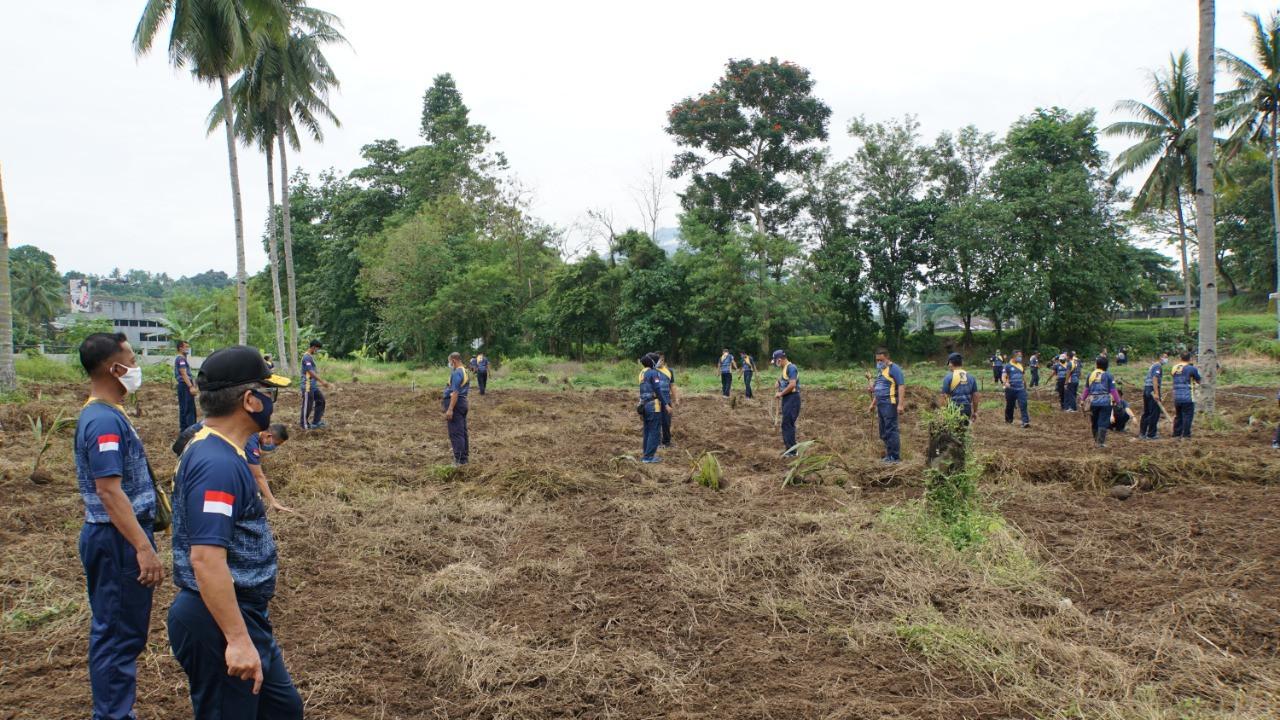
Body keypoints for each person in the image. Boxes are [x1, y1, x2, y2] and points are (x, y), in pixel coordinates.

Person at [167, 346, 301, 719]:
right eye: (267, 391)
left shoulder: (218, 445)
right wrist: (237, 639)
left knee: (283, 710)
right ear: (249, 400)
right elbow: (207, 558)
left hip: (243, 614)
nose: (271, 401)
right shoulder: (217, 465)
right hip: (218, 620)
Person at [74, 332, 163, 720]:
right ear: (115, 368)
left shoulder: (107, 414)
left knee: (120, 631)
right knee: (117, 635)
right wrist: (143, 547)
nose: (136, 366)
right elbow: (109, 491)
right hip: (117, 540)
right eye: (131, 359)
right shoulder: (103, 422)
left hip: (116, 536)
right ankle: (113, 715)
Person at [175, 421, 294, 514]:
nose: (274, 447)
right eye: (276, 444)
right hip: (191, 439)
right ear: (268, 435)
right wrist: (273, 501)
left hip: (198, 435)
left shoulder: (252, 430)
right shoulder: (250, 442)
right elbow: (258, 476)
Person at [869, 347, 907, 463]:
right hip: (881, 404)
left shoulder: (894, 369)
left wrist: (900, 405)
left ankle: (894, 457)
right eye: (877, 360)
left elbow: (901, 386)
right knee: (883, 431)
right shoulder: (881, 371)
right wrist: (873, 404)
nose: (878, 362)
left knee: (891, 429)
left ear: (887, 358)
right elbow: (877, 389)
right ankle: (889, 454)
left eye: (881, 360)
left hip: (889, 403)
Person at [1081, 355, 1120, 447]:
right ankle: (1100, 442)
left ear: (1097, 365)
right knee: (1103, 421)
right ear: (1106, 366)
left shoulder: (1090, 375)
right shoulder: (1109, 375)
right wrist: (1118, 401)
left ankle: (1096, 440)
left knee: (1094, 421)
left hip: (1092, 402)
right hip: (1105, 402)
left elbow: (1086, 389)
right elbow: (1113, 390)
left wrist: (1082, 399)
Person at [443, 352, 471, 466]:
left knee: (456, 432)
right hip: (462, 402)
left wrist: (450, 409)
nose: (449, 364)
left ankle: (459, 460)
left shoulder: (457, 372)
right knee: (462, 432)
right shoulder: (465, 371)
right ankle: (464, 458)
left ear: (453, 360)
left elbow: (455, 392)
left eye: (449, 361)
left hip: (456, 403)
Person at [638, 354, 666, 463]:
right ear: (653, 362)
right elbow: (658, 390)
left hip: (644, 404)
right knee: (654, 431)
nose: (659, 363)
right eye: (657, 361)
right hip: (653, 405)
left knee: (647, 430)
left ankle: (646, 454)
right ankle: (649, 457)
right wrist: (666, 404)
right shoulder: (653, 373)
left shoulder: (642, 373)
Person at [773, 350, 801, 456]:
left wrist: (780, 393)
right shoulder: (785, 368)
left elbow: (792, 384)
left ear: (779, 359)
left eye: (776, 361)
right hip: (787, 398)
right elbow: (785, 380)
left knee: (788, 424)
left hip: (792, 399)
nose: (775, 364)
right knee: (785, 424)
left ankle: (792, 451)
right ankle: (789, 449)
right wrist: (779, 382)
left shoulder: (791, 368)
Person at [300, 340, 331, 430]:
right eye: (317, 349)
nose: (317, 351)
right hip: (307, 386)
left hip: (313, 386)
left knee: (321, 401)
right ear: (313, 347)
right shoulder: (306, 357)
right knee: (307, 405)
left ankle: (316, 422)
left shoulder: (310, 357)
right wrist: (322, 382)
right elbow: (310, 372)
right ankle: (304, 425)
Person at [1170, 351, 1202, 439]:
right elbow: (1199, 380)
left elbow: (1174, 377)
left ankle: (1176, 434)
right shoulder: (1192, 369)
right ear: (1190, 358)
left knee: (1178, 416)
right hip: (1188, 396)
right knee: (1187, 416)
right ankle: (1186, 435)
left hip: (1177, 396)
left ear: (1180, 358)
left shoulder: (1174, 368)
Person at [940, 352, 979, 420]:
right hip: (967, 409)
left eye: (949, 363)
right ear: (961, 363)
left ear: (951, 363)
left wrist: (943, 412)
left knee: (953, 430)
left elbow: (944, 397)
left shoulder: (948, 377)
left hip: (953, 409)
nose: (949, 365)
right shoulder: (971, 377)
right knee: (964, 429)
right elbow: (975, 396)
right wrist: (975, 411)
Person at [1140, 352, 1169, 440]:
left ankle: (1142, 433)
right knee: (1154, 413)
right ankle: (1151, 434)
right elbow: (1155, 378)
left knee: (1147, 412)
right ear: (1160, 357)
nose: (1166, 359)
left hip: (1147, 389)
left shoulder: (1152, 366)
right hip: (1152, 390)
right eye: (1165, 357)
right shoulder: (1157, 366)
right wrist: (1156, 393)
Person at [654, 352, 678, 448]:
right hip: (655, 401)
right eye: (657, 360)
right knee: (656, 422)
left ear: (664, 360)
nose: (659, 362)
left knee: (667, 421)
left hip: (667, 400)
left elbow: (672, 385)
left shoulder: (669, 371)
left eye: (661, 359)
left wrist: (676, 398)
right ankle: (657, 442)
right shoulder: (652, 371)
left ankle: (667, 442)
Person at [1002, 349, 1030, 428]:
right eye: (1019, 356)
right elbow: (1003, 376)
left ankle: (1025, 422)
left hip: (1020, 389)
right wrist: (1005, 383)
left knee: (1023, 404)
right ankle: (1009, 420)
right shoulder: (1007, 366)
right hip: (1011, 389)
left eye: (1021, 356)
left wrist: (1025, 387)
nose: (1020, 358)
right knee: (1010, 405)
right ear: (1014, 356)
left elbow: (1023, 377)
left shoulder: (1020, 366)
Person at [176, 339, 198, 432]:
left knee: (184, 408)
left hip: (182, 386)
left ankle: (184, 430)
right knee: (189, 409)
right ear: (180, 348)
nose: (188, 349)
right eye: (186, 347)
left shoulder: (181, 358)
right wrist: (191, 386)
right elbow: (183, 373)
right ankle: (190, 431)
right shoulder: (181, 359)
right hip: (185, 386)